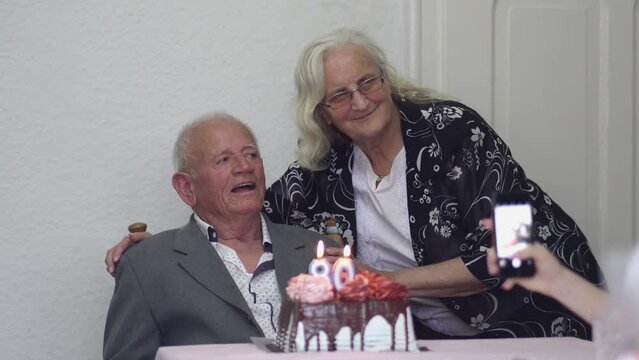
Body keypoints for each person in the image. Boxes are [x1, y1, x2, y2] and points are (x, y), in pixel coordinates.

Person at [106, 28, 604, 339]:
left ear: (386, 80)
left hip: (540, 320)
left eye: (368, 83)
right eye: (339, 96)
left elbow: (514, 251)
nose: (360, 102)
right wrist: (168, 254)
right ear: (322, 113)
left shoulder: (455, 131)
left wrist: (380, 282)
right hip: (436, 338)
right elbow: (239, 211)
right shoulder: (323, 174)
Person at [103, 114, 333, 360]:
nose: (244, 166)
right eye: (224, 160)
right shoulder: (147, 266)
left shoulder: (320, 252)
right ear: (186, 188)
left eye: (251, 155)